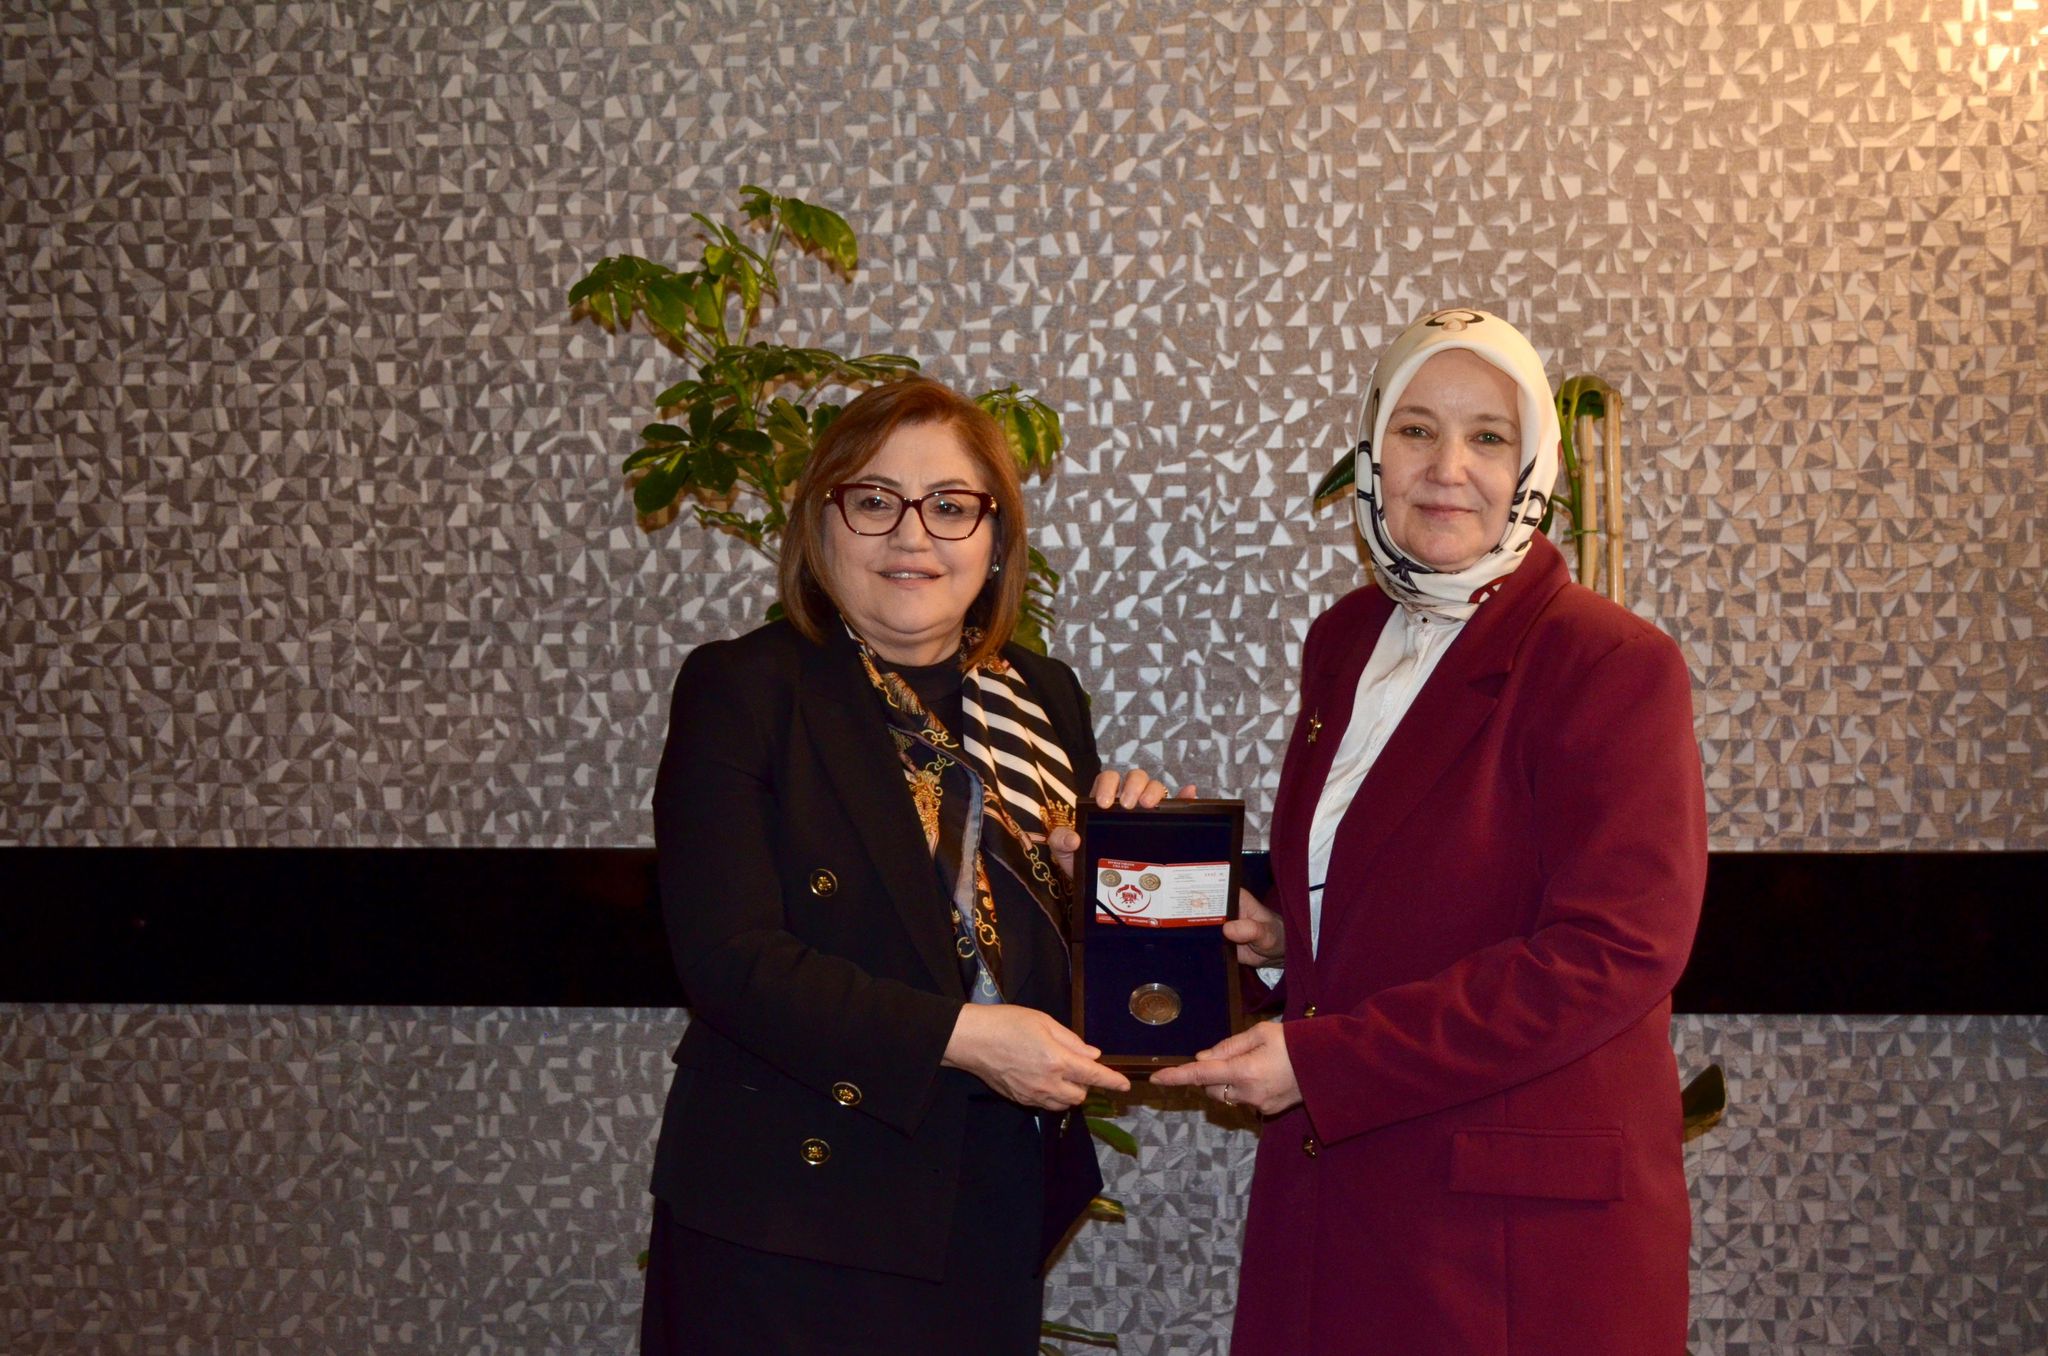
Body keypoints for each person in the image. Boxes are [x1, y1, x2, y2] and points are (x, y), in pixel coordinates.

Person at [1155, 308, 1708, 1355]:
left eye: (1487, 437)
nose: (1446, 467)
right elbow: (1401, 883)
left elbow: (1615, 949)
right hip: (1342, 1206)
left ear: (1532, 463)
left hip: (1508, 1246)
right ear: (1373, 450)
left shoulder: (1607, 662)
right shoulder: (1346, 640)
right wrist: (1282, 938)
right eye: (1414, 430)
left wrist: (1327, 1064)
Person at [639, 377, 1180, 1355]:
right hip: (793, 1215)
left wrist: (1117, 878)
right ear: (822, 523)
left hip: (988, 1197)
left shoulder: (1041, 697)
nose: (912, 535)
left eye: (950, 505)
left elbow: (1060, 956)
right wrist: (963, 1038)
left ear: (995, 537)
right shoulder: (746, 688)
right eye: (875, 500)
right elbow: (730, 961)